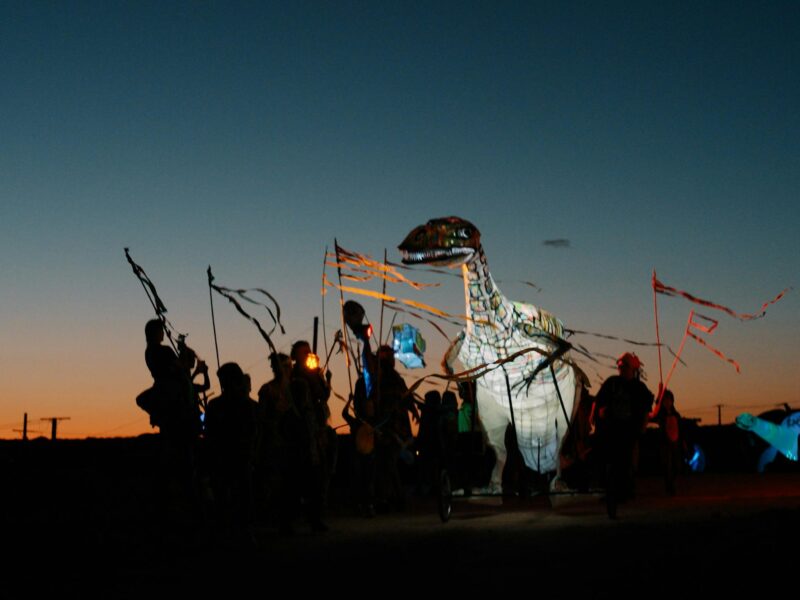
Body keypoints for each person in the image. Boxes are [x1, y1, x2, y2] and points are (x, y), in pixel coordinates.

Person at [204, 362, 260, 546]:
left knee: (242, 495)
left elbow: (253, 431)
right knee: (228, 496)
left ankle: (243, 531)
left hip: (239, 456)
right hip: (223, 458)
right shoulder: (218, 405)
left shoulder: (246, 405)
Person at [594, 352, 654, 502]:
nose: (621, 369)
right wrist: (595, 415)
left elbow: (646, 409)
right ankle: (611, 492)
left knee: (628, 463)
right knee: (611, 462)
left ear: (632, 369)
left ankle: (627, 491)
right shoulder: (612, 383)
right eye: (620, 366)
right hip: (612, 431)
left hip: (630, 431)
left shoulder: (639, 388)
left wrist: (643, 427)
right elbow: (599, 401)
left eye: (625, 367)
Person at [650, 387, 682, 495]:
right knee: (667, 466)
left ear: (672, 401)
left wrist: (683, 442)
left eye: (669, 400)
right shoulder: (661, 415)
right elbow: (656, 410)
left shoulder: (676, 415)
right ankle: (669, 488)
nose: (667, 402)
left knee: (676, 466)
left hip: (675, 443)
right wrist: (659, 393)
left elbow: (680, 429)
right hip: (664, 443)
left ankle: (672, 484)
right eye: (665, 400)